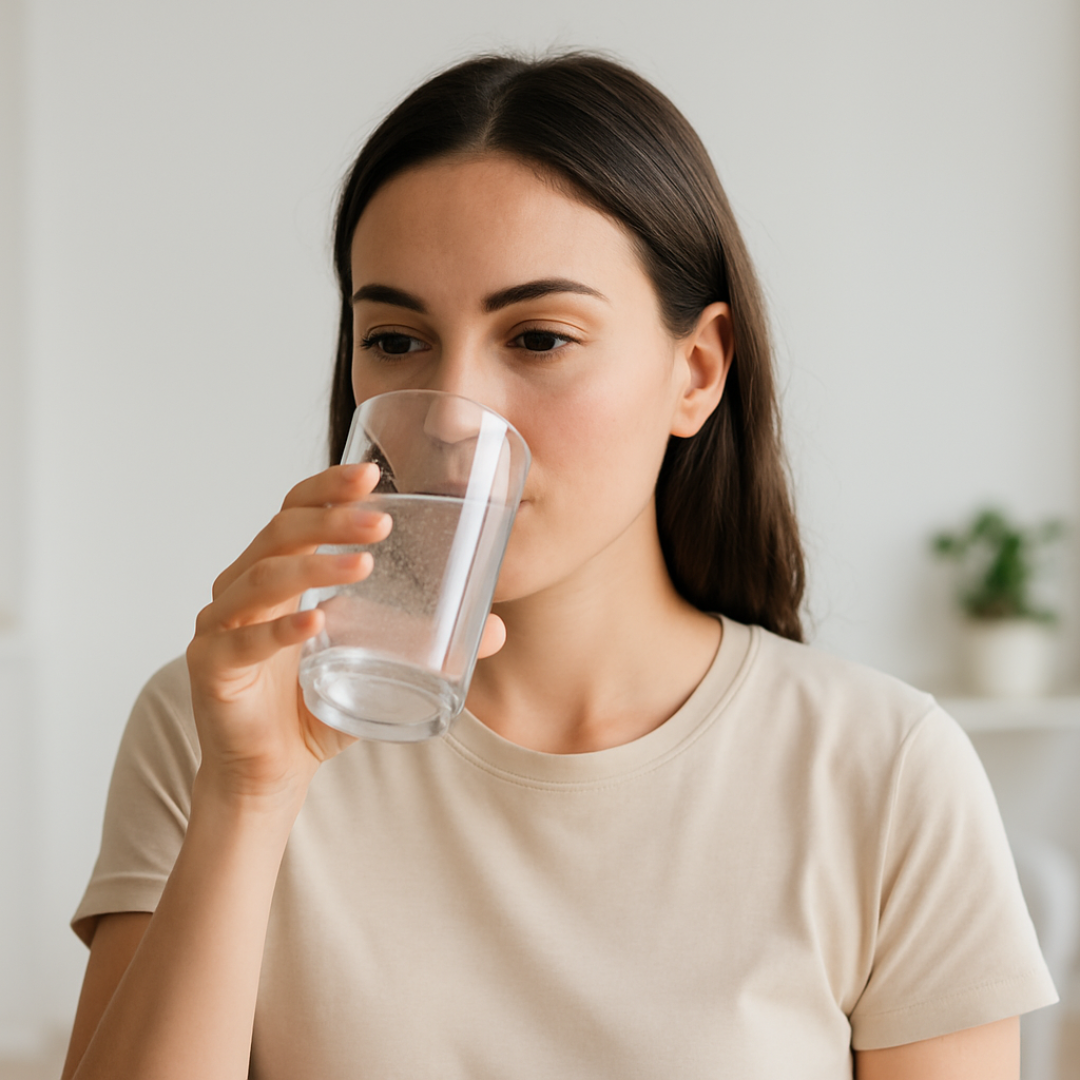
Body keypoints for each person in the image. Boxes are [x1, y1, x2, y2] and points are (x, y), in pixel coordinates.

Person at [62, 53, 1056, 1080]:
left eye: (537, 337)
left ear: (697, 372)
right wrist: (249, 794)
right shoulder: (217, 728)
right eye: (397, 340)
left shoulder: (883, 770)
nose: (457, 419)